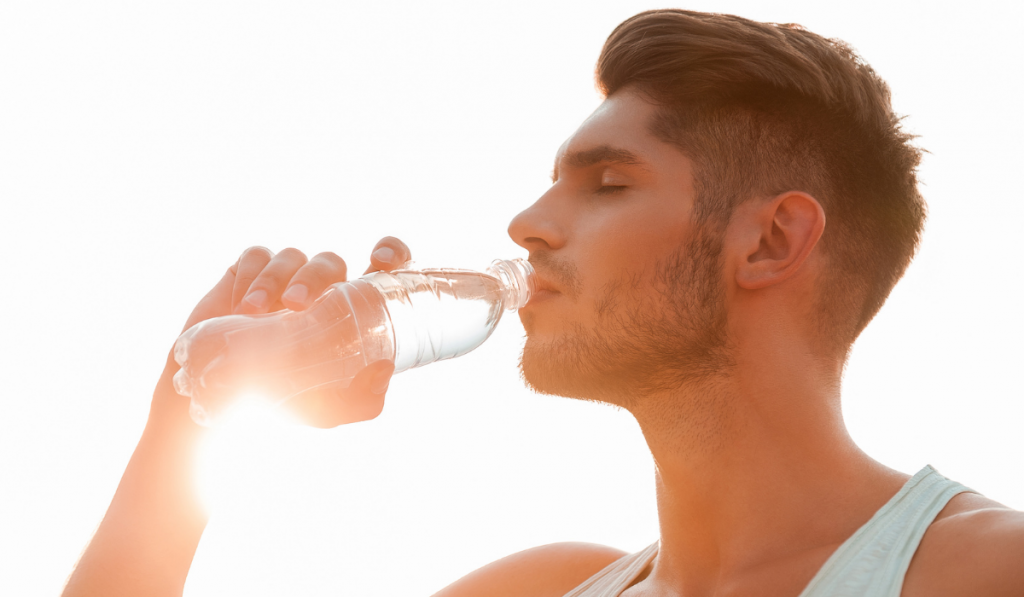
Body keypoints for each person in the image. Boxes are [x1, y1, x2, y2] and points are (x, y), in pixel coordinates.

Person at [62, 9, 1024, 597]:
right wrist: (185, 422)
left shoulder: (984, 572)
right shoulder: (543, 585)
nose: (526, 224)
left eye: (606, 183)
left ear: (771, 240)